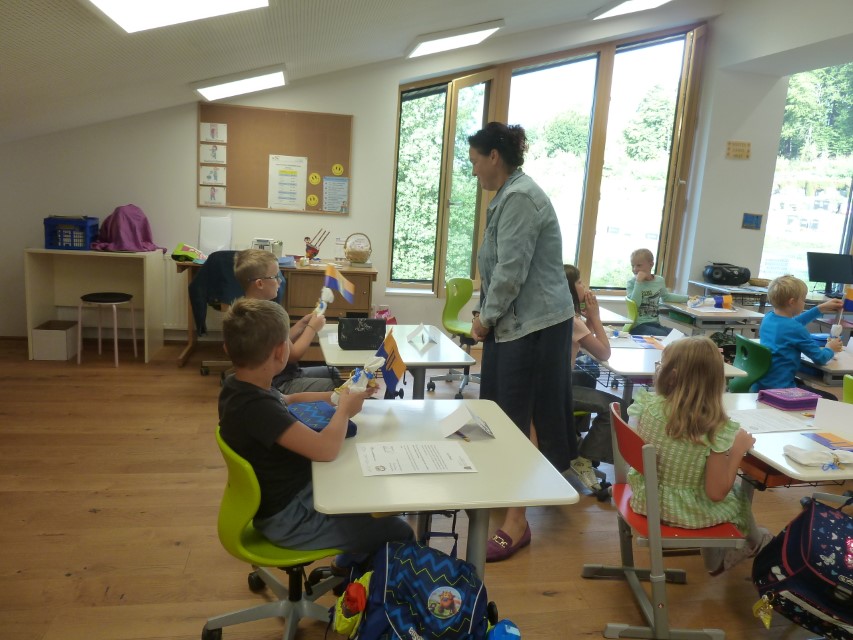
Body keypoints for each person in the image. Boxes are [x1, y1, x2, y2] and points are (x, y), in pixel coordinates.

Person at [218, 298, 414, 562]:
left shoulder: (240, 386)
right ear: (281, 351)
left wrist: (339, 395)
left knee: (363, 492)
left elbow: (289, 400)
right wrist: (344, 411)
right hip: (292, 519)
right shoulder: (257, 408)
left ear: (227, 348)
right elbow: (325, 450)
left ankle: (350, 565)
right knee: (399, 531)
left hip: (288, 497)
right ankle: (357, 576)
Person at [467, 122, 575, 562]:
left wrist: (484, 320)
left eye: (476, 161)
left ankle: (518, 520)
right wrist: (486, 316)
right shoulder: (506, 197)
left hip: (535, 327)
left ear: (495, 156)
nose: (474, 170)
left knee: (519, 418)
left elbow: (510, 273)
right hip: (515, 324)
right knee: (501, 410)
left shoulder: (520, 199)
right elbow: (497, 269)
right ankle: (506, 489)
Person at [627, 336, 772, 575]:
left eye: (661, 364)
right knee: (738, 497)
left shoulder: (648, 405)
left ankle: (752, 542)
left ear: (672, 376)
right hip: (686, 512)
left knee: (720, 487)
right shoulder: (715, 430)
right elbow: (716, 493)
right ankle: (746, 547)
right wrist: (737, 451)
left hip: (645, 497)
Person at [234, 249, 342, 393]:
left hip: (287, 373)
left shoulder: (250, 310)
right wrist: (312, 328)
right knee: (337, 385)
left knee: (333, 372)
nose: (280, 281)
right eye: (275, 276)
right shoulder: (267, 316)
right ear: (260, 283)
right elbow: (293, 355)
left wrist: (302, 324)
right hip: (280, 383)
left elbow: (280, 340)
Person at [564, 265, 619, 491]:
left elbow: (582, 340)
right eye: (579, 282)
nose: (584, 286)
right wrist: (596, 317)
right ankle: (584, 457)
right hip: (558, 390)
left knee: (588, 378)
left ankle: (574, 440)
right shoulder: (572, 319)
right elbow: (604, 353)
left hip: (549, 385)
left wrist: (588, 320)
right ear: (569, 288)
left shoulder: (564, 315)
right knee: (616, 407)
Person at [757, 274, 843, 398]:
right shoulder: (795, 329)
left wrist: (819, 308)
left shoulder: (769, 318)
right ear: (792, 302)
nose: (804, 303)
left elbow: (793, 323)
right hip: (782, 389)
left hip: (764, 384)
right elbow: (820, 358)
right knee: (831, 398)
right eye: (803, 300)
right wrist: (830, 348)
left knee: (803, 382)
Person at [626, 248, 688, 336]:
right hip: (638, 326)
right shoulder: (632, 283)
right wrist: (638, 282)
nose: (635, 269)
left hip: (655, 324)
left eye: (639, 265)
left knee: (682, 336)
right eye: (633, 266)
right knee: (663, 335)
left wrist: (688, 299)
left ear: (651, 264)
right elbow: (635, 304)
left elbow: (666, 297)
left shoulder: (659, 280)